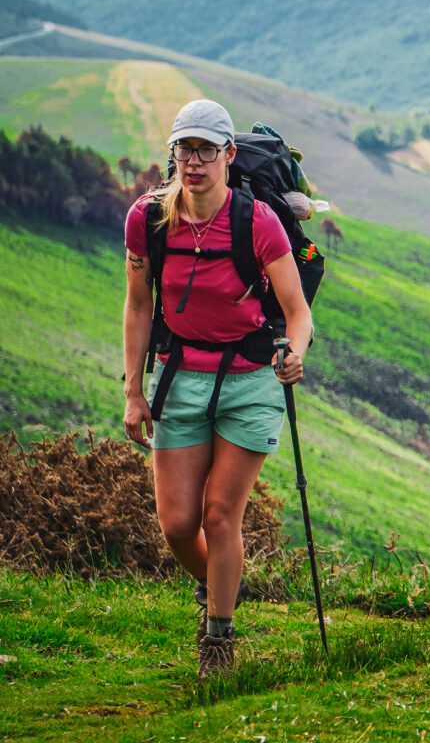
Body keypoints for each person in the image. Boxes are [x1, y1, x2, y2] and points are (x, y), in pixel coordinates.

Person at [122, 99, 312, 677]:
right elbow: (137, 305)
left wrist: (294, 355)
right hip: (180, 380)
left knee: (220, 515)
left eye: (208, 150)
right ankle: (218, 585)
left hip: (250, 382)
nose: (196, 161)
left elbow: (296, 312)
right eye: (186, 149)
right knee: (178, 525)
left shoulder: (257, 221)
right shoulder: (147, 219)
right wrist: (134, 392)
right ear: (173, 154)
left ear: (229, 155)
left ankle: (219, 641)